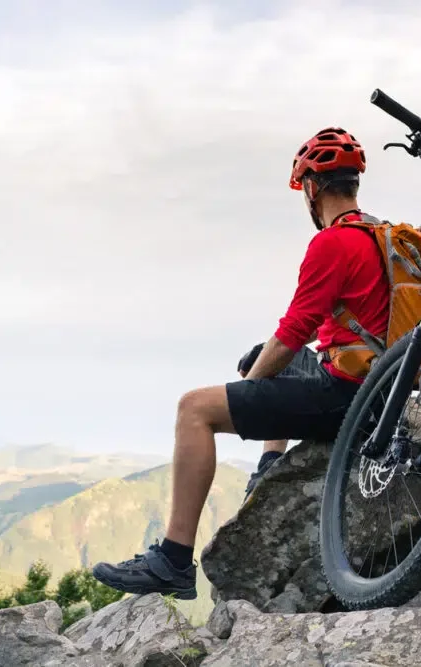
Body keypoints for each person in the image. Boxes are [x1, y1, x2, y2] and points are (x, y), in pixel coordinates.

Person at [91, 127, 391, 600]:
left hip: (347, 399)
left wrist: (251, 389)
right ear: (354, 184)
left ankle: (172, 560)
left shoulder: (332, 243)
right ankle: (270, 465)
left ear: (311, 188)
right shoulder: (380, 236)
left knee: (195, 408)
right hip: (384, 389)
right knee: (260, 353)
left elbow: (294, 333)